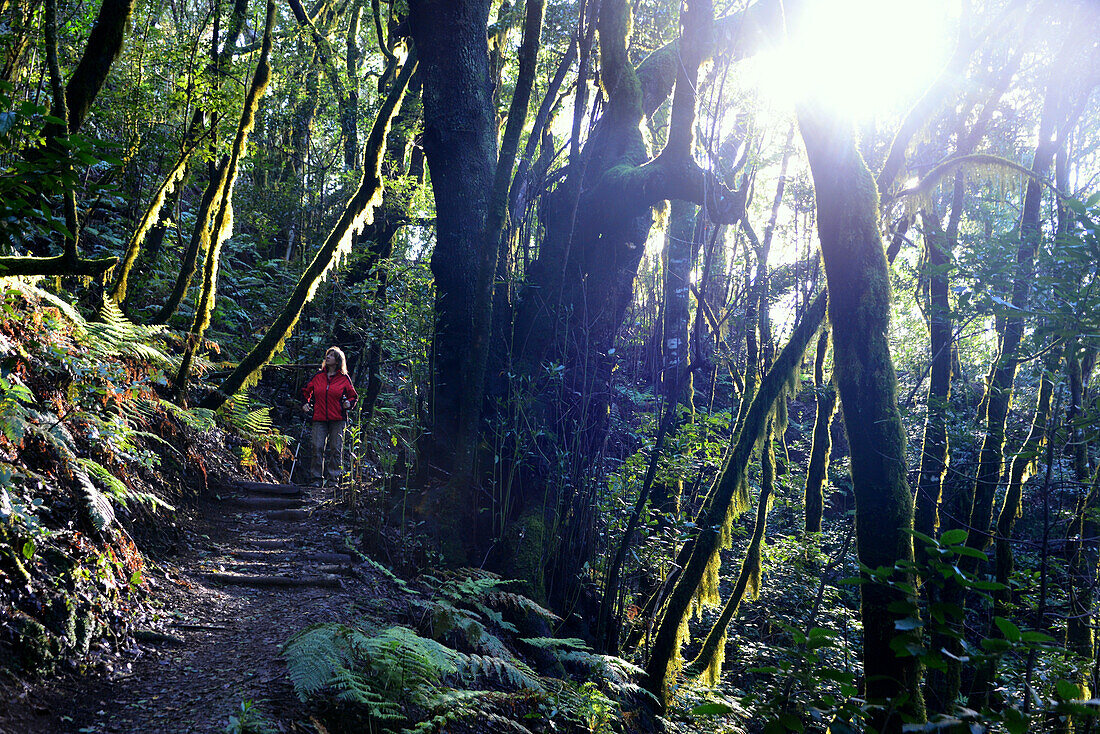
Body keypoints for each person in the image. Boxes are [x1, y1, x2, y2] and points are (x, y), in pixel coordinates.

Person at [302, 347, 357, 487]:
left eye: (331, 356)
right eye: (327, 355)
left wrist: (348, 404)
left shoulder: (344, 379)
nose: (328, 358)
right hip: (319, 418)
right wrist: (305, 403)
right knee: (317, 447)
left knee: (336, 449)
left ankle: (333, 480)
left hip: (338, 419)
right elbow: (306, 391)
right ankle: (316, 479)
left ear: (338, 360)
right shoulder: (318, 377)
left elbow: (353, 396)